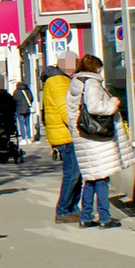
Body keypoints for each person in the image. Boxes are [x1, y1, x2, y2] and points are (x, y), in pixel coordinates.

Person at [66, 55, 135, 228]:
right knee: (102, 179)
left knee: (90, 178)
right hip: (97, 138)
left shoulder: (76, 83)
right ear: (96, 67)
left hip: (83, 136)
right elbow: (95, 106)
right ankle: (104, 217)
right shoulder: (92, 83)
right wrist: (112, 103)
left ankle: (85, 217)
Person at [42, 58, 78, 221]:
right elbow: (65, 109)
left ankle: (71, 208)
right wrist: (77, 128)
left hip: (60, 133)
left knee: (74, 173)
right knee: (73, 173)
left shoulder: (55, 80)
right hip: (65, 134)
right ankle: (64, 210)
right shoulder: (59, 81)